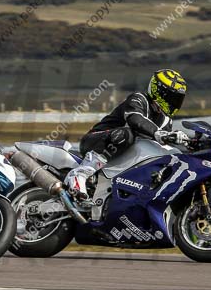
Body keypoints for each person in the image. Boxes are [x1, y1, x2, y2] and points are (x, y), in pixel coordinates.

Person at [64, 69, 190, 200]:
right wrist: (158, 133)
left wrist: (185, 143)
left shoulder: (166, 120)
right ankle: (80, 173)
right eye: (172, 97)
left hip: (123, 157)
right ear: (158, 91)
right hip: (96, 141)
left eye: (178, 99)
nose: (175, 102)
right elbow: (135, 119)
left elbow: (163, 145)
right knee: (126, 134)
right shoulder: (139, 99)